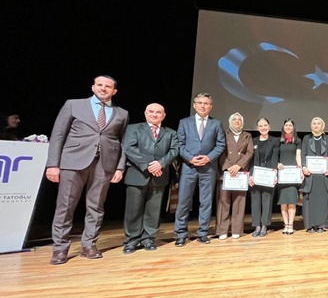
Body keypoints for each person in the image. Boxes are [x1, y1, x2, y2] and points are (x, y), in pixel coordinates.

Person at [45, 75, 129, 265]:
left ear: (114, 91)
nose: (103, 88)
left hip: (105, 164)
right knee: (66, 206)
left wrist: (119, 167)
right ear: (93, 87)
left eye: (108, 86)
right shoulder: (73, 105)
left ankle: (89, 245)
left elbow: (123, 142)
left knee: (96, 207)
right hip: (73, 162)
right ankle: (60, 248)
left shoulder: (122, 113)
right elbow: (58, 135)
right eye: (100, 85)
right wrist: (53, 164)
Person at [121, 103, 179, 253]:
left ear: (163, 116)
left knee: (153, 210)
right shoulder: (133, 128)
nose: (154, 114)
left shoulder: (171, 133)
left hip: (160, 175)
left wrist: (161, 163)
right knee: (133, 210)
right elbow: (129, 148)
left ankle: (149, 239)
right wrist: (149, 165)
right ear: (145, 113)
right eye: (151, 111)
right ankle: (132, 240)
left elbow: (174, 150)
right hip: (137, 174)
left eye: (158, 112)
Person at [174, 93, 227, 246]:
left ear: (211, 106)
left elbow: (220, 145)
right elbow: (179, 144)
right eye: (200, 103)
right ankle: (180, 234)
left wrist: (208, 158)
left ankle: (203, 233)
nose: (203, 106)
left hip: (208, 168)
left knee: (206, 201)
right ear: (194, 105)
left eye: (206, 103)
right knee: (184, 201)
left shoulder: (216, 123)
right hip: (189, 167)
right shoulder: (184, 122)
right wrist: (190, 158)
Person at [216, 112, 254, 240]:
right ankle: (222, 230)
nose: (237, 122)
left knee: (239, 201)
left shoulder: (247, 135)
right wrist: (228, 167)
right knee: (224, 202)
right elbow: (220, 151)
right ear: (230, 122)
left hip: (240, 172)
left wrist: (239, 166)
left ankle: (236, 230)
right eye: (235, 120)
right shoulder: (223, 134)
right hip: (226, 172)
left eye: (239, 120)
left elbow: (250, 152)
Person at [300, 117, 328, 233]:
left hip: (323, 175)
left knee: (322, 200)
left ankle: (321, 225)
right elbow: (303, 154)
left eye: (318, 123)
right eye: (314, 123)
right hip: (310, 175)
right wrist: (304, 167)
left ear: (322, 126)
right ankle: (310, 225)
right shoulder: (306, 138)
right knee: (310, 201)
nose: (316, 125)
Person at [248, 117, 279, 237]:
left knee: (267, 200)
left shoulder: (275, 141)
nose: (263, 128)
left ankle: (265, 225)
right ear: (257, 128)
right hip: (255, 173)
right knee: (255, 201)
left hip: (268, 174)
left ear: (269, 126)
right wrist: (250, 175)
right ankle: (257, 226)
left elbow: (275, 158)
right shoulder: (253, 141)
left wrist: (274, 174)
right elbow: (250, 160)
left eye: (265, 125)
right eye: (260, 126)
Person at [277, 119, 302, 235]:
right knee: (283, 201)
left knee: (292, 200)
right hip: (282, 174)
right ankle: (285, 224)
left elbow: (298, 156)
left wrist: (300, 170)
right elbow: (275, 156)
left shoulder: (297, 141)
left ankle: (291, 224)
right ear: (283, 127)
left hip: (293, 174)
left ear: (293, 127)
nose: (288, 127)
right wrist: (277, 164)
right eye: (286, 125)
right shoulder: (279, 141)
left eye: (290, 125)